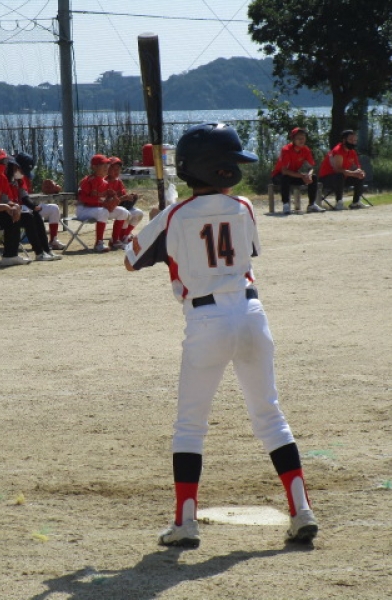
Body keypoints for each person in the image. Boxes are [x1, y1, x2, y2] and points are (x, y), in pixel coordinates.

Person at [123, 123, 319, 548]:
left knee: (190, 426)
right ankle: (302, 510)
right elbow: (245, 249)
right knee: (270, 417)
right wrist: (172, 216)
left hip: (206, 321)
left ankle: (185, 522)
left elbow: (131, 259)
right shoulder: (244, 206)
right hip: (251, 314)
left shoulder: (173, 215)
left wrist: (159, 218)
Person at [5, 157, 61, 261]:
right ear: (15, 166)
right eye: (22, 170)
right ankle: (39, 253)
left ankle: (46, 250)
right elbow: (4, 200)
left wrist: (34, 207)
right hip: (5, 212)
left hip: (17, 209)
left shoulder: (18, 180)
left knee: (36, 215)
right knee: (29, 217)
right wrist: (17, 207)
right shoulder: (3, 178)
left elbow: (24, 196)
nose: (23, 174)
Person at [77, 154, 129, 253]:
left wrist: (113, 199)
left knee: (123, 212)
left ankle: (115, 240)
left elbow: (106, 200)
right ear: (94, 167)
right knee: (103, 211)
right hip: (83, 210)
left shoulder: (105, 182)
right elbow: (82, 198)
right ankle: (99, 243)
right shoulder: (87, 181)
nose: (106, 168)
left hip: (97, 209)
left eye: (107, 165)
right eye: (103, 165)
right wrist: (102, 202)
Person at [13, 152, 65, 251]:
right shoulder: (6, 176)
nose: (24, 173)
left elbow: (26, 195)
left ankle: (53, 241)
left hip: (26, 207)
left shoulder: (23, 177)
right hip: (15, 209)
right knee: (32, 213)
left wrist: (47, 191)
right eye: (23, 170)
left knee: (54, 208)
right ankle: (36, 245)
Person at [270, 127, 323, 214]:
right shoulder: (286, 150)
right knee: (285, 178)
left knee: (313, 177)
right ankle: (286, 204)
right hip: (279, 175)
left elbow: (311, 167)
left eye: (303, 138)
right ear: (293, 139)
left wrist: (309, 175)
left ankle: (311, 204)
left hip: (294, 175)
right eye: (298, 138)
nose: (301, 140)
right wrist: (302, 176)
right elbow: (284, 171)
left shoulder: (306, 149)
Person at [318, 129, 366, 210]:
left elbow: (356, 166)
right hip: (327, 178)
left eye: (355, 140)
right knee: (340, 175)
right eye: (351, 140)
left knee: (360, 176)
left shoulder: (352, 152)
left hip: (343, 177)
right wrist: (353, 173)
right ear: (344, 140)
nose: (353, 142)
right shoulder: (338, 151)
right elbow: (338, 169)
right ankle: (339, 202)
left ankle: (355, 202)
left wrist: (360, 172)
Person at [106, 156, 144, 244]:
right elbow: (108, 201)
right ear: (107, 169)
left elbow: (123, 195)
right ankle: (117, 238)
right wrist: (124, 198)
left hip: (119, 205)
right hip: (109, 208)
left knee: (139, 213)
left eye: (118, 169)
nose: (117, 171)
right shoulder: (105, 182)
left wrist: (131, 196)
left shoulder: (118, 181)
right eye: (114, 169)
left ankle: (125, 236)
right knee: (125, 213)